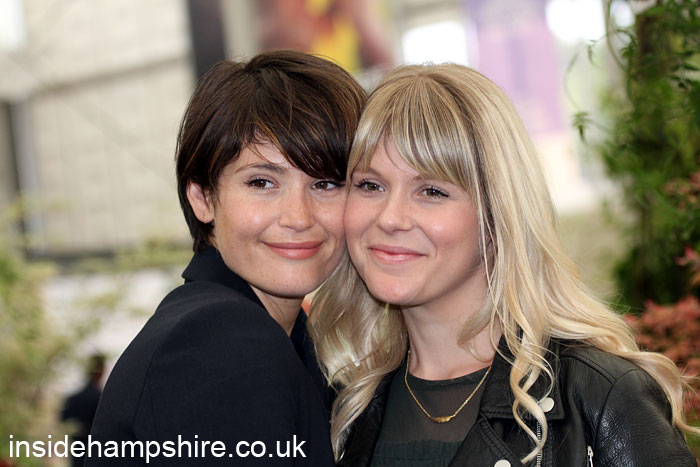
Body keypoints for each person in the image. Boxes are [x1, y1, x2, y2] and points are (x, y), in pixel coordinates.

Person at [310, 64, 699, 466]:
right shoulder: (344, 407)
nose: (390, 218)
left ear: (497, 215)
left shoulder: (601, 396)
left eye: (431, 191)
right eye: (370, 185)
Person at [88, 50, 365, 466]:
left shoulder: (280, 336)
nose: (299, 217)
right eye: (261, 182)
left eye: (326, 184)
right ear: (202, 198)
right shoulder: (220, 340)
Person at [61, 353, 105, 467]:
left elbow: (64, 422)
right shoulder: (102, 400)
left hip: (77, 456)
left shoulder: (73, 399)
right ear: (101, 371)